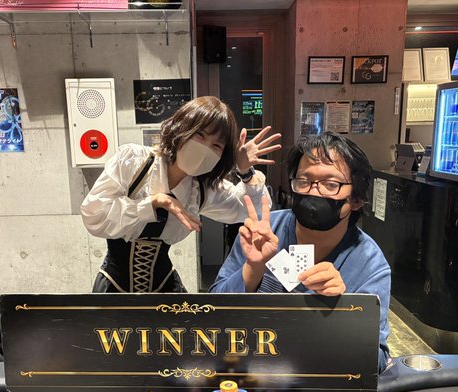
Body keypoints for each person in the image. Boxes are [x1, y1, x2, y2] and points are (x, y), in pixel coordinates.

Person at [209, 132, 391, 372]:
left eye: (330, 184)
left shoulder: (369, 263)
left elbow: (376, 359)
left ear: (356, 199)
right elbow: (210, 315)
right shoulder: (262, 232)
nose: (313, 192)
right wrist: (252, 269)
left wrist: (343, 310)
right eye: (303, 181)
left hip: (316, 380)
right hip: (248, 374)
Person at [81, 96, 281, 293]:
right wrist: (153, 203)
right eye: (200, 135)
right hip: (113, 287)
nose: (205, 148)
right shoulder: (135, 162)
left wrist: (245, 171)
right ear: (181, 129)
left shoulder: (201, 189)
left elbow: (250, 210)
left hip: (164, 287)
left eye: (216, 145)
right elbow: (93, 214)